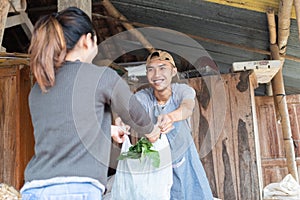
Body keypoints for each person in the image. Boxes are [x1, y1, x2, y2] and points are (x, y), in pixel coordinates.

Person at [20, 7, 161, 200]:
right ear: (87, 39)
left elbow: (63, 128)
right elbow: (134, 113)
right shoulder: (100, 76)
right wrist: (152, 132)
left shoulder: (39, 88)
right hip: (77, 189)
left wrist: (107, 130)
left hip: (35, 188)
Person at [134, 50, 213, 199]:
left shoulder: (182, 91)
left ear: (174, 71)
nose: (157, 74)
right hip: (156, 164)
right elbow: (130, 109)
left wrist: (171, 117)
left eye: (162, 68)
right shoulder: (144, 97)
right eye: (151, 69)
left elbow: (187, 108)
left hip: (185, 160)